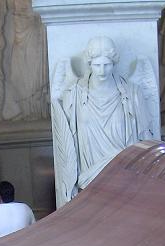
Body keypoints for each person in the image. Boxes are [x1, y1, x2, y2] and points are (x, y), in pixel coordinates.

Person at [51, 36, 157, 204]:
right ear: (89, 64)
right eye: (97, 65)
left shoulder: (131, 92)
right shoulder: (75, 94)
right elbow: (68, 139)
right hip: (88, 174)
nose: (102, 71)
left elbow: (145, 138)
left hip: (121, 168)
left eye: (106, 65)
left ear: (114, 64)